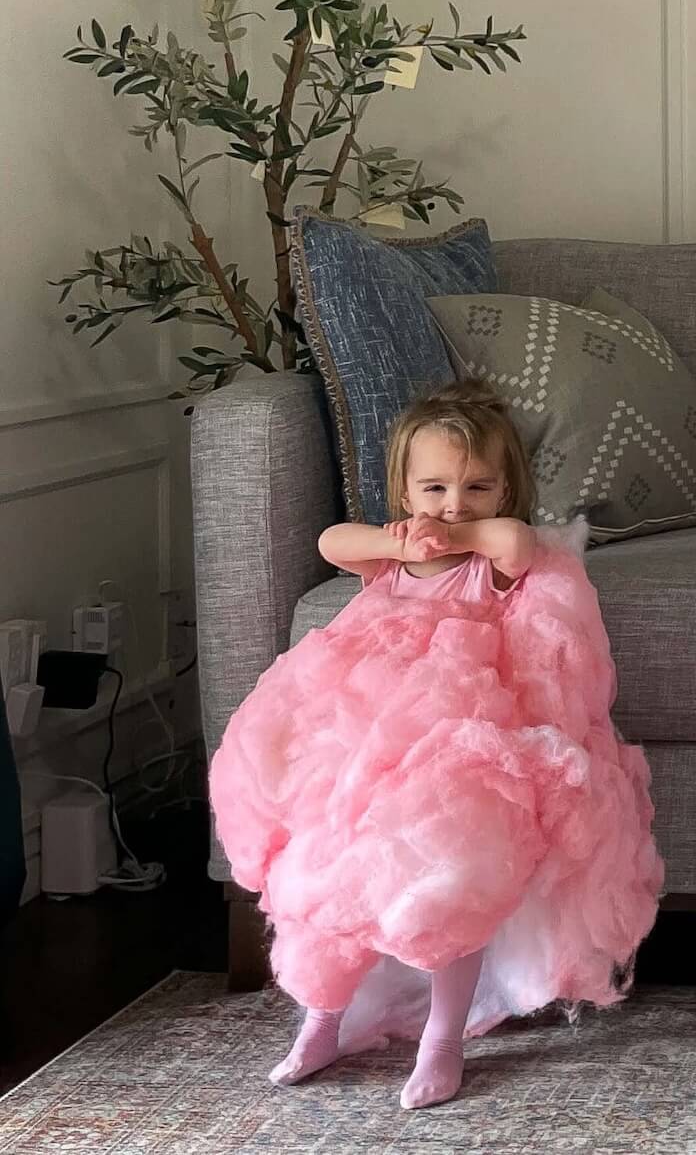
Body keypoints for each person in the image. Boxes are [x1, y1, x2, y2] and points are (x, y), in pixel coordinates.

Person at [208, 381, 663, 1110]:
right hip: (361, 737)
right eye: (435, 487)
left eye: (478, 486)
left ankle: (442, 1038)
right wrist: (397, 537)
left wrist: (459, 533)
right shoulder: (390, 558)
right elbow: (331, 542)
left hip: (461, 740)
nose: (455, 504)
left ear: (506, 486)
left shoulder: (496, 558)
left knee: (457, 864)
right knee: (327, 854)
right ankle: (323, 1018)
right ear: (404, 489)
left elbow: (516, 541)